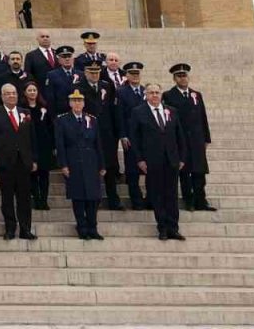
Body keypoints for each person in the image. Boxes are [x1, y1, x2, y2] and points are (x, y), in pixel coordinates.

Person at [130, 82, 187, 240]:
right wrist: (140, 159)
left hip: (172, 160)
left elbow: (179, 135)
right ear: (146, 95)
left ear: (161, 94)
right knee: (157, 194)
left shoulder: (171, 111)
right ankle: (162, 228)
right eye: (151, 92)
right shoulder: (138, 112)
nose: (154, 95)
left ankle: (173, 228)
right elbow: (134, 139)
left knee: (172, 194)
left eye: (157, 92)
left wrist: (182, 157)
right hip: (152, 160)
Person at [0, 84, 37, 240]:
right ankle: (10, 229)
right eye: (7, 94)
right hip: (5, 162)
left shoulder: (25, 113)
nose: (11, 96)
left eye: (14, 93)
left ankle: (25, 229)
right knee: (7, 197)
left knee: (25, 198)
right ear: (2, 96)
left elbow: (32, 138)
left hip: (23, 161)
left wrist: (34, 159)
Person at [164, 63, 215, 211]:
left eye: (185, 75)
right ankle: (189, 200)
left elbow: (202, 117)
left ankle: (201, 200)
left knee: (199, 171)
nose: (183, 79)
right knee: (185, 172)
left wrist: (206, 137)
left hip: (197, 140)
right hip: (182, 139)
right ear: (174, 79)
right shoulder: (169, 95)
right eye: (179, 76)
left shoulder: (196, 95)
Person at [55, 90, 105, 240]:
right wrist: (63, 164)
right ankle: (82, 227)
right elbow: (60, 144)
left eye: (80, 101)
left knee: (93, 197)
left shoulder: (92, 119)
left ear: (84, 103)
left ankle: (92, 227)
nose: (77, 103)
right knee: (78, 197)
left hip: (91, 161)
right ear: (70, 103)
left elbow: (98, 143)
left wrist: (101, 165)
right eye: (74, 101)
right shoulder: (62, 120)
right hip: (73, 161)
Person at [80, 62, 123, 210]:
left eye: (97, 72)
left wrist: (118, 131)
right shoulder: (78, 87)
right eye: (91, 72)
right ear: (85, 72)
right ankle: (93, 199)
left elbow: (113, 109)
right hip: (88, 132)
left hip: (106, 133)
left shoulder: (107, 85)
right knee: (91, 167)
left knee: (110, 167)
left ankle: (114, 200)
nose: (94, 75)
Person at [115, 62, 150, 209]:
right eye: (132, 74)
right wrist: (122, 134)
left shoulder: (146, 91)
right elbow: (119, 115)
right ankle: (136, 201)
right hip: (130, 136)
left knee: (150, 170)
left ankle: (150, 199)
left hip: (147, 137)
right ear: (127, 75)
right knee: (132, 171)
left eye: (137, 74)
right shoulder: (121, 92)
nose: (135, 76)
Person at [21, 81, 56, 211]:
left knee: (44, 175)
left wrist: (53, 145)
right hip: (28, 145)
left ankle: (44, 200)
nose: (32, 92)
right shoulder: (22, 109)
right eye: (29, 90)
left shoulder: (44, 107)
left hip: (44, 145)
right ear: (25, 92)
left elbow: (51, 127)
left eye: (34, 90)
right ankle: (36, 199)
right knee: (32, 175)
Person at [44, 46, 81, 115]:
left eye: (69, 56)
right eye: (64, 57)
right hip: (60, 114)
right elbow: (50, 99)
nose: (67, 59)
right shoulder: (52, 75)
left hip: (78, 113)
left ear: (73, 59)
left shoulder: (80, 74)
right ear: (59, 60)